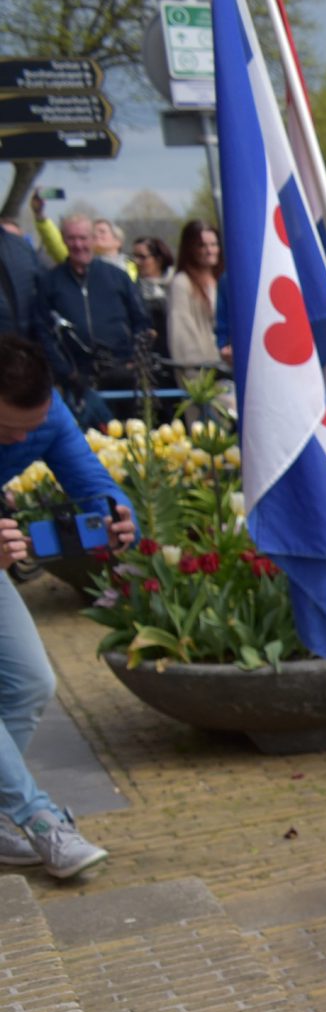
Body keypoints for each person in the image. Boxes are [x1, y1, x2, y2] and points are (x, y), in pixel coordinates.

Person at [0, 335, 133, 879]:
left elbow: (92, 483)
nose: (22, 439)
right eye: (8, 429)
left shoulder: (48, 416)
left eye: (31, 428)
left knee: (30, 683)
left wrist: (119, 515)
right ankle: (40, 818)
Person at [35, 215, 153, 427]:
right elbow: (43, 331)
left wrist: (134, 361)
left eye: (83, 238)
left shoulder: (118, 277)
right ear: (63, 239)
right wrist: (67, 373)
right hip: (77, 382)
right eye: (72, 238)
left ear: (92, 239)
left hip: (123, 375)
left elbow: (141, 320)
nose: (78, 245)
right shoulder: (50, 282)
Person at [163, 220, 227, 379]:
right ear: (190, 249)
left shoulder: (224, 281)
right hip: (205, 374)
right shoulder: (182, 283)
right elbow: (182, 334)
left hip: (229, 369)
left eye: (214, 244)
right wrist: (197, 373)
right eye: (202, 245)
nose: (209, 250)